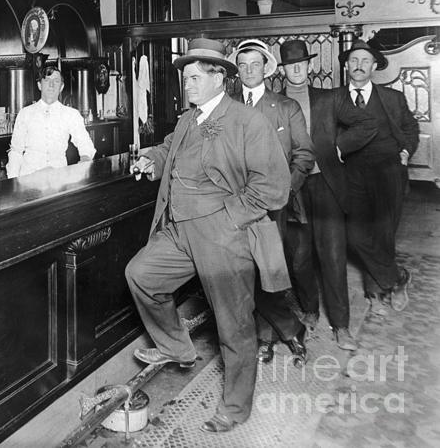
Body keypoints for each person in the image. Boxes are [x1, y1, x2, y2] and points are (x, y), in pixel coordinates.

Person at [125, 38, 290, 434]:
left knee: (234, 325)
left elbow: (274, 186)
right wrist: (151, 159)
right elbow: (169, 149)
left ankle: (235, 407)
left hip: (223, 234)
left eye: (196, 78)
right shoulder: (188, 118)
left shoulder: (248, 121)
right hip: (180, 229)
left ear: (220, 77)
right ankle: (176, 347)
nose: (188, 85)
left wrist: (230, 219)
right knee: (142, 275)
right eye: (186, 79)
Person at [277, 39, 377, 351]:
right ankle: (309, 309)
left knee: (333, 255)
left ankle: (342, 325)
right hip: (293, 187)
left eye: (301, 63)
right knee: (300, 257)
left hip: (326, 185)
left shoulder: (330, 98)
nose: (296, 69)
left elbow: (367, 122)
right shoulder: (274, 102)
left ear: (309, 66)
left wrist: (338, 147)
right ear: (282, 69)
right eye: (290, 65)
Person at [230, 39, 314, 365]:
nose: (249, 70)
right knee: (244, 272)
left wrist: (284, 191)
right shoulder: (227, 106)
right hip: (236, 205)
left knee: (268, 270)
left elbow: (304, 155)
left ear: (267, 68)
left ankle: (274, 333)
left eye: (255, 64)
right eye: (243, 65)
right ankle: (281, 331)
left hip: (273, 205)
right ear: (237, 71)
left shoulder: (285, 107)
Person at [341, 38, 418, 314]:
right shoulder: (334, 98)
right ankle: (398, 278)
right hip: (352, 175)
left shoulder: (392, 98)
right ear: (347, 65)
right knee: (354, 235)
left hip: (388, 173)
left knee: (383, 235)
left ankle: (375, 293)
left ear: (374, 66)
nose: (359, 66)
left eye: (365, 61)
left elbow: (410, 128)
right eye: (354, 60)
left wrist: (407, 151)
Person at [6, 66, 96, 178]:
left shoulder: (71, 114)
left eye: (56, 81)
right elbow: (16, 151)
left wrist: (85, 159)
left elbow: (85, 144)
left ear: (61, 87)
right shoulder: (25, 113)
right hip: (29, 179)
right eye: (47, 80)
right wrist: (13, 182)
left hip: (58, 179)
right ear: (39, 85)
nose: (51, 85)